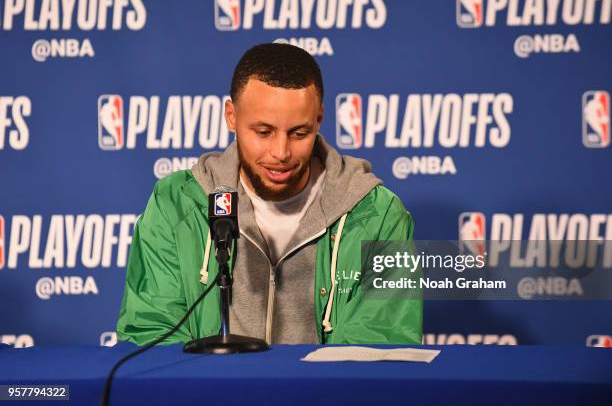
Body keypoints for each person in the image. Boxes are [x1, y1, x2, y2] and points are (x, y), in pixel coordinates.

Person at [116, 43, 422, 346]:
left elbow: (380, 343)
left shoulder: (377, 214)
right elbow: (152, 333)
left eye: (299, 133)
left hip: (323, 397)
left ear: (319, 119)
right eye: (263, 132)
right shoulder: (177, 202)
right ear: (231, 116)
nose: (281, 152)